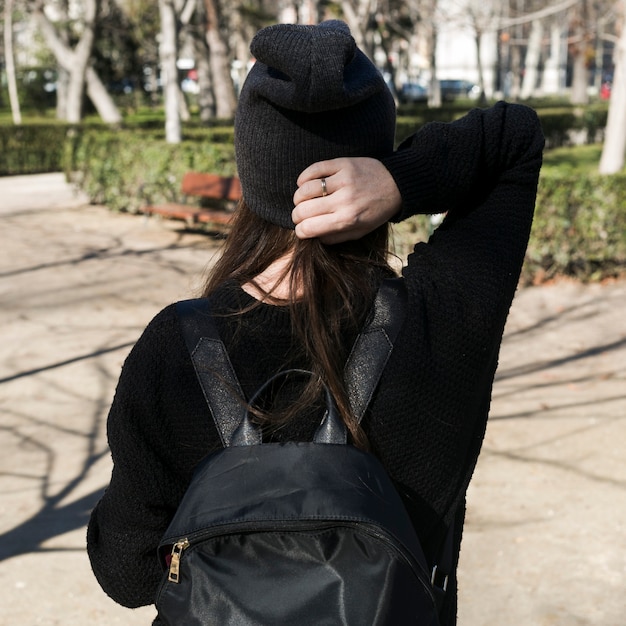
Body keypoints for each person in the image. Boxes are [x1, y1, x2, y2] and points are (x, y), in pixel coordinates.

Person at [87, 20, 544, 625]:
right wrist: (400, 181)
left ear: (251, 171)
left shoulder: (173, 346)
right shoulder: (442, 320)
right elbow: (515, 139)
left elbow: (128, 575)